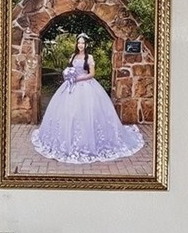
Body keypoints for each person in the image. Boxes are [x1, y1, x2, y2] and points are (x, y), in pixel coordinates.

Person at [32, 33, 145, 164]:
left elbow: (92, 74)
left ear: (86, 45)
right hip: (71, 86)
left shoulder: (89, 57)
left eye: (83, 43)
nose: (80, 45)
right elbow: (70, 69)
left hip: (86, 86)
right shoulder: (73, 56)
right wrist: (67, 75)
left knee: (88, 113)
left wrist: (78, 78)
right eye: (79, 43)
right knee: (69, 113)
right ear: (76, 44)